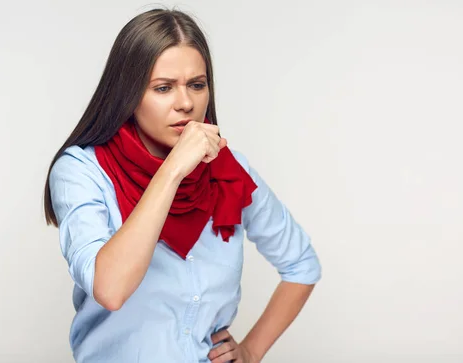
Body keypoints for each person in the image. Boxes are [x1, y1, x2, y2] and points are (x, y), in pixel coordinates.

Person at [43, 8, 322, 363]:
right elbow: (110, 289)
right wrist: (173, 169)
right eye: (163, 88)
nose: (186, 103)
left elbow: (301, 264)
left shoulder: (228, 171)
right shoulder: (82, 171)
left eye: (197, 85)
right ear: (127, 93)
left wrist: (250, 351)